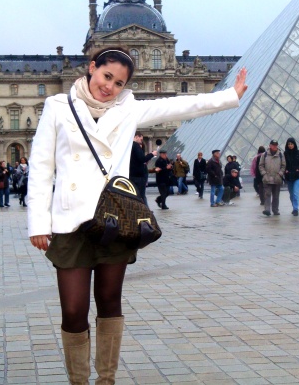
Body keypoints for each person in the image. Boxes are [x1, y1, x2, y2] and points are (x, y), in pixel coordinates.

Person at [26, 47, 248, 384]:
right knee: (73, 310)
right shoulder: (58, 107)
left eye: (118, 82)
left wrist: (230, 95)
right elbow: (41, 167)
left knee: (109, 301)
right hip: (70, 222)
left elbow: (181, 105)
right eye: (106, 76)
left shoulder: (127, 109)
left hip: (114, 220)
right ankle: (78, 381)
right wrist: (38, 223)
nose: (109, 86)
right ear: (92, 68)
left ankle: (106, 380)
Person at [259, 139, 285, 216]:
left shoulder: (281, 155)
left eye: (276, 145)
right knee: (267, 194)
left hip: (277, 178)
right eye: (273, 145)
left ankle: (275, 210)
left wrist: (280, 174)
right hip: (267, 178)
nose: (274, 146)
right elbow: (261, 165)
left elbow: (283, 166)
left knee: (276, 196)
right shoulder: (265, 155)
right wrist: (264, 174)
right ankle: (267, 209)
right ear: (270, 145)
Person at [129, 132, 156, 206]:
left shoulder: (129, 145)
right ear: (137, 137)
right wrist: (152, 154)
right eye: (141, 139)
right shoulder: (136, 145)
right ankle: (145, 211)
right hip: (138, 176)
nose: (141, 141)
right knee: (141, 195)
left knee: (134, 194)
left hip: (131, 174)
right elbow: (142, 159)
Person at [283, 137, 299, 216]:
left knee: (296, 193)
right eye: (289, 144)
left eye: (291, 144)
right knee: (291, 194)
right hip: (289, 176)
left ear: (294, 144)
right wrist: (285, 170)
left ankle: (296, 209)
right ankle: (294, 207)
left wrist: (298, 169)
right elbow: (283, 164)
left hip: (298, 176)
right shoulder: (285, 153)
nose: (290, 145)